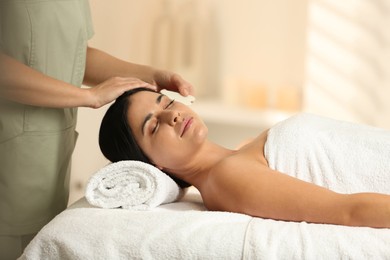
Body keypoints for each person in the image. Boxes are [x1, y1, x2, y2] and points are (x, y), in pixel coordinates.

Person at [0, 1, 193, 259]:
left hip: (48, 160)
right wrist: (89, 96)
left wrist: (152, 76)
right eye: (153, 125)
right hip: (11, 161)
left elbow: (76, 55)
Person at [99, 87, 390, 229]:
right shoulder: (226, 178)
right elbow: (346, 211)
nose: (172, 115)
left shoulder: (239, 155)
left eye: (167, 102)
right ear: (153, 165)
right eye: (153, 125)